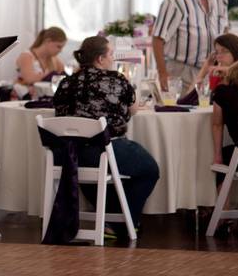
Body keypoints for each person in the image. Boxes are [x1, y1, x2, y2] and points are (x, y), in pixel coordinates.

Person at [53, 36, 159, 231]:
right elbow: (133, 109)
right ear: (101, 59)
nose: (113, 59)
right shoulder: (116, 79)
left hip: (68, 155)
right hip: (102, 150)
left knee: (97, 174)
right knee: (149, 169)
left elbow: (58, 112)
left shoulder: (66, 82)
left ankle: (113, 219)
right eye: (111, 54)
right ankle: (124, 222)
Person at [153, 0, 229, 90]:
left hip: (212, 71)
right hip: (181, 71)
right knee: (181, 109)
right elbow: (158, 39)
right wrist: (162, 73)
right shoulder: (175, 0)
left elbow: (225, 31)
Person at [13, 26, 67, 99]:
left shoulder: (54, 59)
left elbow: (65, 76)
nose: (60, 51)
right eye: (58, 46)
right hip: (23, 101)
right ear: (48, 41)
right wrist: (49, 75)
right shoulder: (27, 56)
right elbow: (29, 79)